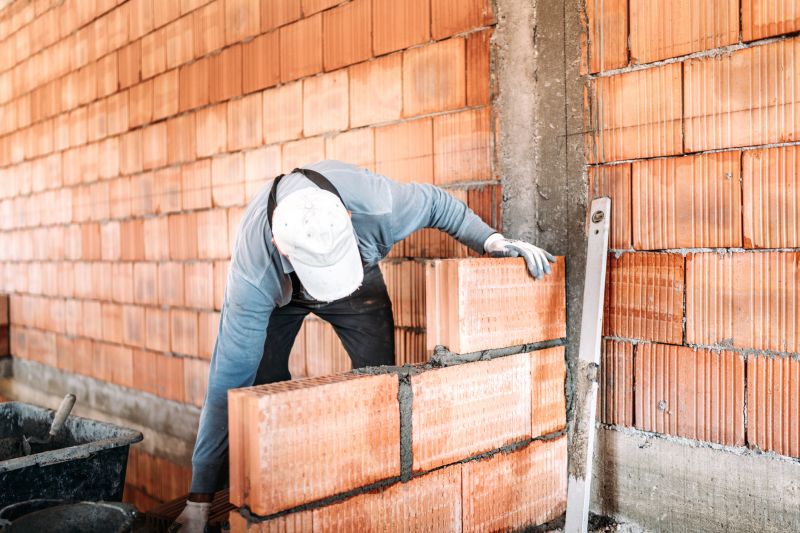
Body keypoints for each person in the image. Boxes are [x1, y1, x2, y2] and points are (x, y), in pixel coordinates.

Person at [170, 160, 556, 531]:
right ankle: (267, 489)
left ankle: (378, 476)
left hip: (358, 280)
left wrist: (493, 241)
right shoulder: (254, 273)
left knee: (380, 382)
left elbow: (439, 205)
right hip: (283, 298)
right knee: (260, 390)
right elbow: (226, 385)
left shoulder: (377, 205)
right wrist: (199, 500)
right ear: (280, 246)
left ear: (348, 217)